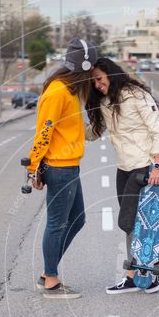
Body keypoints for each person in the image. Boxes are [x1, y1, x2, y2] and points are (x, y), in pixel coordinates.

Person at [87, 57, 159, 294]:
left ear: (110, 74)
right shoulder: (105, 102)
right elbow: (94, 132)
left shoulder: (136, 95)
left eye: (99, 79)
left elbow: (157, 128)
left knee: (131, 221)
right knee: (131, 226)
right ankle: (133, 276)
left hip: (144, 166)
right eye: (93, 82)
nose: (97, 85)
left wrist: (157, 163)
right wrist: (70, 131)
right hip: (124, 168)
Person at [25, 37, 97, 299]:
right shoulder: (57, 92)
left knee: (78, 219)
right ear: (84, 67)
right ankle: (51, 280)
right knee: (56, 224)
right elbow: (44, 132)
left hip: (70, 165)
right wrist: (34, 166)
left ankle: (48, 272)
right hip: (59, 167)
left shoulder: (69, 91)